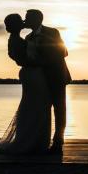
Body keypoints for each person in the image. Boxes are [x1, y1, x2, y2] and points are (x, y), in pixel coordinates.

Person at [0, 13, 52, 154]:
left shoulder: (19, 38)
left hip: (34, 74)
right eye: (20, 21)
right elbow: (22, 60)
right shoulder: (16, 40)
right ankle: (29, 141)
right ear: (15, 26)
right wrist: (42, 62)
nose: (24, 21)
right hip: (32, 74)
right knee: (33, 106)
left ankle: (36, 141)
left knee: (36, 107)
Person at [23, 9, 71, 154]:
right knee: (41, 110)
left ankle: (58, 143)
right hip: (38, 79)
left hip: (56, 76)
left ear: (37, 19)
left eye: (27, 18)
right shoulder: (28, 37)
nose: (25, 21)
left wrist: (41, 60)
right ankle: (40, 141)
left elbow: (63, 52)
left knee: (59, 109)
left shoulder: (52, 32)